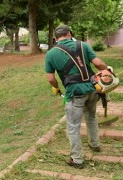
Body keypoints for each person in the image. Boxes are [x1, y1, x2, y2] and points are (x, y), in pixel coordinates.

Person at [45, 24, 108, 169]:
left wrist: (56, 87)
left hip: (74, 93)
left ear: (56, 39)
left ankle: (77, 159)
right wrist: (107, 71)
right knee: (91, 117)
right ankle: (95, 144)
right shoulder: (83, 45)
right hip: (92, 89)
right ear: (69, 34)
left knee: (73, 127)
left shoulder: (51, 53)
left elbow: (50, 78)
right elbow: (98, 63)